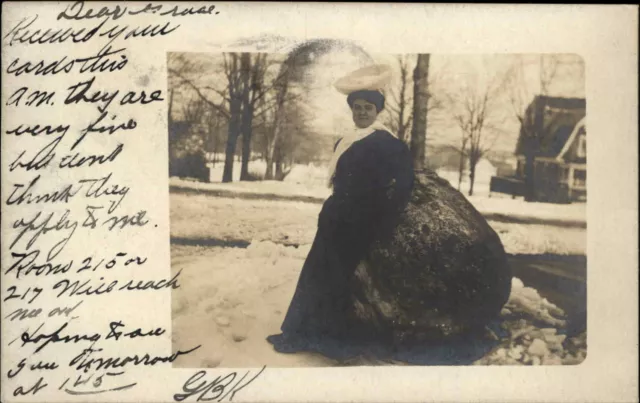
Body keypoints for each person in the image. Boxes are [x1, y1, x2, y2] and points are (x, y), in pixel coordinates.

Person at [267, 64, 511, 364]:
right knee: (317, 275)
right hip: (335, 221)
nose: (361, 113)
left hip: (360, 223)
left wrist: (379, 222)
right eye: (357, 107)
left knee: (339, 280)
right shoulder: (346, 140)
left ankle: (333, 340)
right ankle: (302, 332)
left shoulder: (388, 143)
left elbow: (402, 186)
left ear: (377, 110)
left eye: (367, 108)